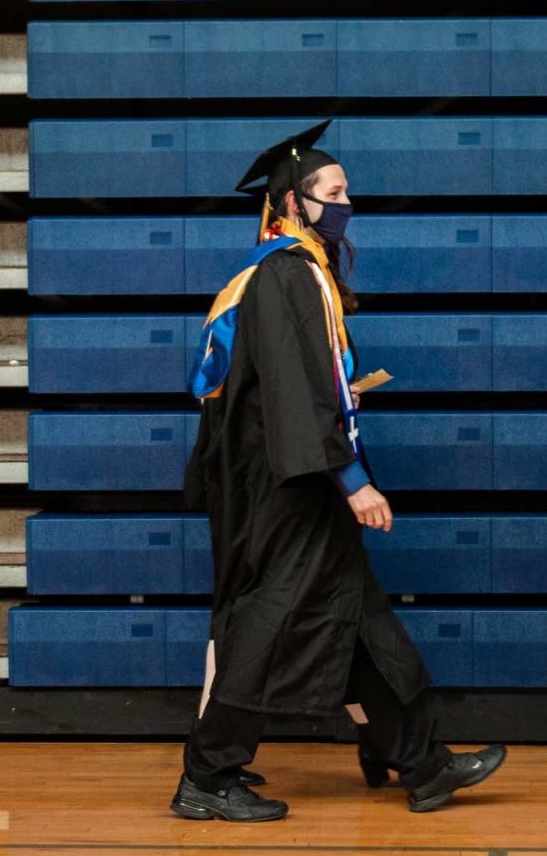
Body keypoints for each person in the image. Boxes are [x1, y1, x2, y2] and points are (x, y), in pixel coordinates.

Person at [173, 120, 506, 821]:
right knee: (271, 626)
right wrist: (351, 480)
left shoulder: (293, 273)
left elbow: (285, 386)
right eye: (335, 191)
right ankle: (207, 774)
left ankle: (421, 761)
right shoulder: (286, 276)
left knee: (362, 620)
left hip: (299, 478)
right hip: (292, 490)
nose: (347, 203)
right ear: (294, 203)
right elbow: (294, 394)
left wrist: (340, 404)